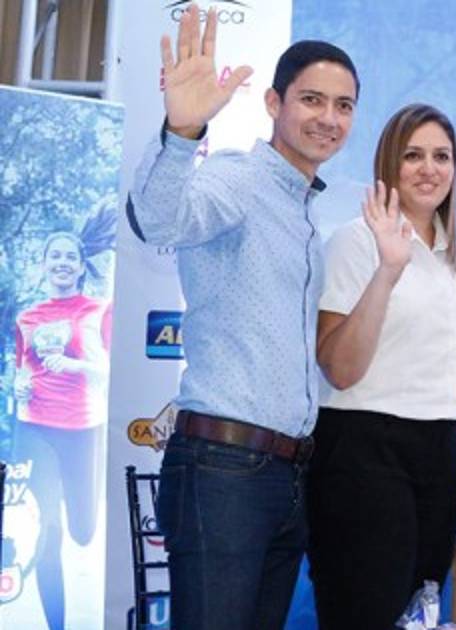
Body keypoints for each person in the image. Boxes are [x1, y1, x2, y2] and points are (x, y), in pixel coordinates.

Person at [125, 4, 359, 628]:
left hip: (285, 474)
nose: (328, 118)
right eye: (312, 99)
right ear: (274, 103)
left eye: (343, 105)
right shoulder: (239, 178)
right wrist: (182, 132)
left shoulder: (305, 212)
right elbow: (160, 220)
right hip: (223, 469)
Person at [305, 103, 456, 629]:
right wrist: (388, 270)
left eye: (442, 156)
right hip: (364, 448)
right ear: (389, 164)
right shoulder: (356, 241)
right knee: (366, 613)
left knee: (420, 613)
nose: (429, 169)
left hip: (442, 448)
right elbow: (339, 367)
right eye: (413, 155)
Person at [12, 230, 112, 630]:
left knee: (83, 531)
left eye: (70, 256)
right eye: (55, 256)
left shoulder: (100, 311)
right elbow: (22, 370)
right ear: (44, 265)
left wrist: (77, 367)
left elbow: (113, 371)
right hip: (35, 429)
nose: (62, 263)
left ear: (81, 266)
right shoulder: (26, 318)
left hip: (84, 429)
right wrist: (19, 385)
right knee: (46, 532)